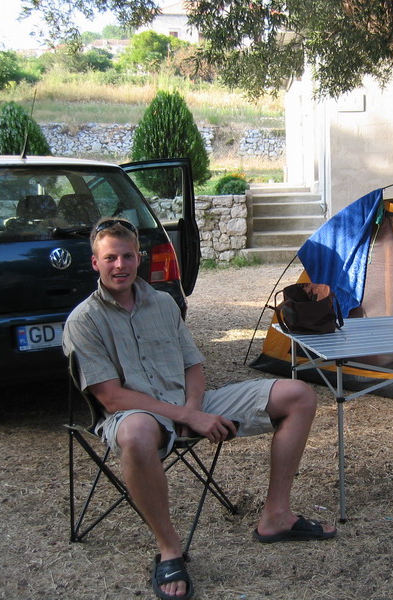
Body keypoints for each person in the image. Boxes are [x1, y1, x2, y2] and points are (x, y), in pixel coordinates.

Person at [63, 218, 336, 600]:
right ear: (96, 263)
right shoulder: (84, 320)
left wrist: (193, 407)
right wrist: (188, 417)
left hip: (190, 403)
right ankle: (169, 549)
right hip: (134, 415)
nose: (120, 265)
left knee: (299, 395)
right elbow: (111, 397)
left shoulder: (163, 303)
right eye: (110, 258)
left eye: (127, 256)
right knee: (137, 432)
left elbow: (193, 366)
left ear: (139, 257)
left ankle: (277, 516)